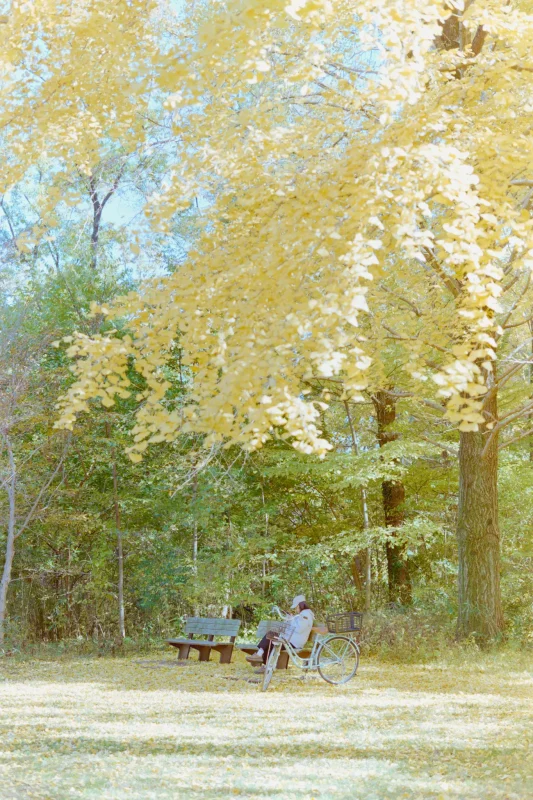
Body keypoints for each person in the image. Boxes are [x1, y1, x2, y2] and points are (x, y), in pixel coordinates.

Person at [246, 594, 314, 673]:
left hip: (294, 642)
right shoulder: (303, 614)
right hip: (291, 640)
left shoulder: (306, 614)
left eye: (296, 607)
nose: (296, 609)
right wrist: (289, 619)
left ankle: (261, 658)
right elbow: (294, 625)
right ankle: (262, 660)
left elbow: (299, 629)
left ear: (300, 605)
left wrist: (291, 619)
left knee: (272, 637)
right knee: (271, 637)